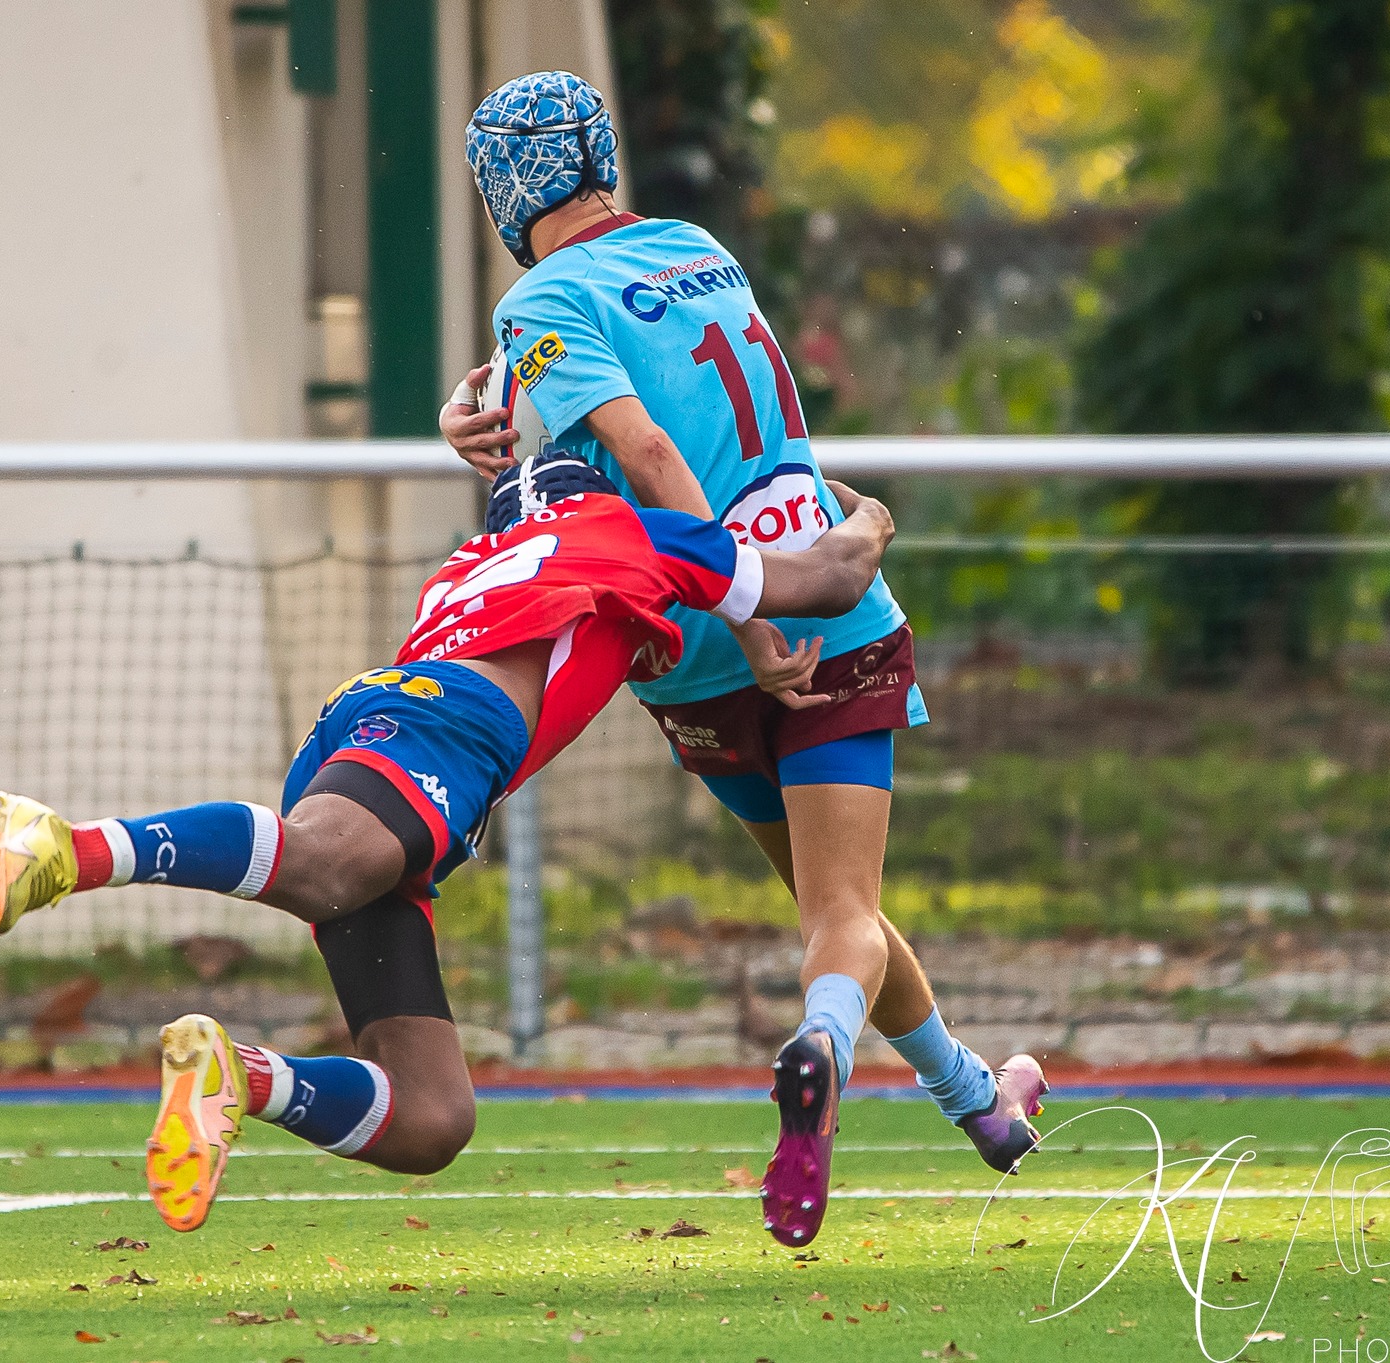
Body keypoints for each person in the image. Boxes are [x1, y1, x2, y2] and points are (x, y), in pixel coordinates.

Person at [0, 455, 894, 1236]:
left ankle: (240, 1077)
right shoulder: (633, 530)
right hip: (452, 723)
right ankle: (72, 847)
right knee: (327, 868)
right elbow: (834, 576)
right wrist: (865, 513)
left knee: (431, 1115)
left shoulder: (472, 562)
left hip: (377, 718)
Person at [445, 70, 1046, 1246]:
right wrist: (760, 610)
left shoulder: (536, 303)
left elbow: (637, 444)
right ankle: (822, 1045)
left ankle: (978, 1103)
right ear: (599, 158)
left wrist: (733, 617)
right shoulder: (696, 247)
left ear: (499, 196)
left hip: (691, 652)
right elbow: (669, 429)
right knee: (842, 915)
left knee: (834, 913)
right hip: (826, 606)